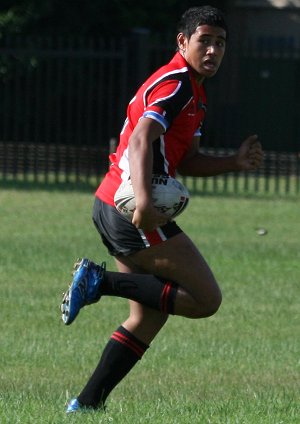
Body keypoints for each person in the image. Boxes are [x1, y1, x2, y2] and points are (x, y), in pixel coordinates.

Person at [61, 5, 263, 414]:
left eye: (220, 43)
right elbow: (140, 140)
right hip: (130, 206)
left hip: (112, 203)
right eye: (204, 40)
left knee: (148, 318)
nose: (213, 50)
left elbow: (186, 160)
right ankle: (98, 283)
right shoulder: (177, 84)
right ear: (182, 42)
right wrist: (147, 205)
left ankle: (84, 406)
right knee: (205, 299)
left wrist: (234, 163)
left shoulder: (195, 92)